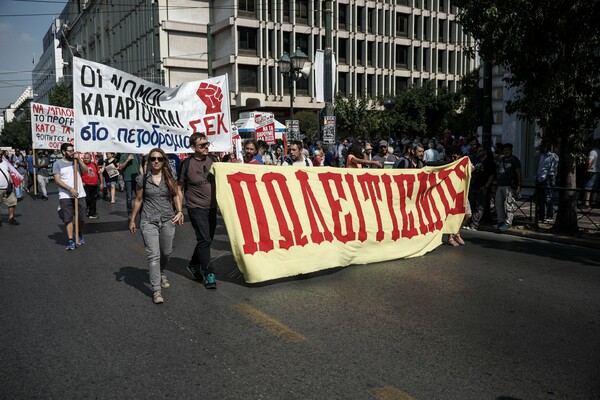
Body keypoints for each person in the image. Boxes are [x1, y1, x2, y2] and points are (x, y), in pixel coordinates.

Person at [129, 148, 184, 304]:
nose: (156, 161)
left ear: (164, 160)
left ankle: (161, 272)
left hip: (167, 219)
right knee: (154, 254)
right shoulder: (142, 179)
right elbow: (139, 200)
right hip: (148, 220)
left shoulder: (170, 177)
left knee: (166, 252)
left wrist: (179, 211)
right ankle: (156, 290)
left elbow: (175, 194)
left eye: (159, 158)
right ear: (149, 161)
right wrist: (133, 219)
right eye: (153, 159)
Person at [178, 133, 218, 289]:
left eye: (207, 144)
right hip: (196, 207)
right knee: (204, 239)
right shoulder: (186, 164)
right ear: (193, 147)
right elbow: (180, 188)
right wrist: (179, 209)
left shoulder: (214, 160)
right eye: (202, 145)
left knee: (207, 239)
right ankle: (209, 273)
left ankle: (194, 264)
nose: (206, 147)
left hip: (212, 207)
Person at [53, 143, 87, 250]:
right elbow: (57, 180)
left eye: (73, 150)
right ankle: (71, 240)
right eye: (70, 151)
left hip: (80, 193)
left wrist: (79, 160)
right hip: (65, 195)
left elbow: (86, 170)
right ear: (63, 151)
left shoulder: (76, 161)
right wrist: (70, 189)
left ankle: (79, 232)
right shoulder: (57, 164)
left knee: (81, 216)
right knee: (68, 218)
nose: (72, 152)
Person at [494, 142, 522, 231]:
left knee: (509, 204)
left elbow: (518, 173)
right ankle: (500, 221)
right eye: (505, 150)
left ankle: (508, 222)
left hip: (509, 186)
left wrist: (519, 185)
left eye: (508, 150)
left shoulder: (515, 160)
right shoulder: (502, 159)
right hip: (500, 185)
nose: (506, 152)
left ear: (511, 150)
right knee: (498, 204)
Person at [467, 146, 496, 230]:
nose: (478, 152)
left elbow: (492, 175)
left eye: (480, 151)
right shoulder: (475, 160)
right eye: (477, 151)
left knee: (480, 207)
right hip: (473, 186)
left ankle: (474, 224)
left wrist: (486, 186)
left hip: (483, 187)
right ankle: (469, 222)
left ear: (485, 151)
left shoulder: (490, 162)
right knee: (472, 205)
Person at [535, 140, 559, 223]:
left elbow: (553, 170)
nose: (541, 148)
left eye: (543, 147)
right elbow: (538, 167)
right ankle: (541, 216)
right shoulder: (540, 155)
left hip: (547, 180)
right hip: (539, 179)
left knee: (548, 198)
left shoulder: (553, 156)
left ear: (547, 148)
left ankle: (549, 216)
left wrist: (547, 178)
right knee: (540, 199)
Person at [81, 152, 103, 219]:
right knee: (87, 199)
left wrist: (101, 183)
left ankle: (92, 213)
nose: (86, 159)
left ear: (91, 158)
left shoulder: (94, 165)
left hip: (94, 185)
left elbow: (100, 173)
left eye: (87, 158)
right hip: (85, 185)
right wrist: (81, 182)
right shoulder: (81, 165)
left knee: (93, 200)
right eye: (85, 158)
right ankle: (85, 210)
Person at [0, 157, 20, 226]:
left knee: (12, 202)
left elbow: (9, 172)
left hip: (7, 188)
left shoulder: (5, 162)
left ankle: (11, 218)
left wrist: (11, 182)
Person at [583, 139, 599, 209]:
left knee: (588, 188)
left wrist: (587, 169)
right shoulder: (599, 152)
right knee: (595, 188)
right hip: (598, 171)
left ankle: (586, 203)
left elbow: (589, 161)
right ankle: (593, 203)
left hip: (591, 171)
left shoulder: (592, 152)